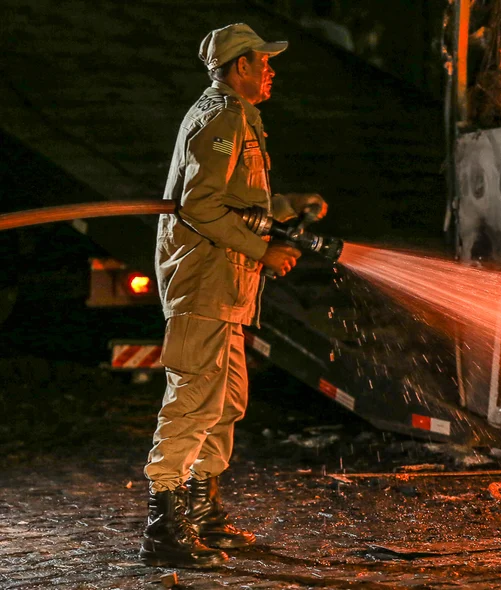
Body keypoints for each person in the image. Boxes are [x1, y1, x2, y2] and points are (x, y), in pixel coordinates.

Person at [143, 23, 328, 568]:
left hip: (229, 286)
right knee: (192, 402)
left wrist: (286, 206)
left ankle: (202, 514)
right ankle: (164, 527)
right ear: (239, 66)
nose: (271, 70)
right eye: (263, 61)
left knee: (224, 403)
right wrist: (263, 251)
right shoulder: (220, 116)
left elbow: (231, 199)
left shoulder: (240, 117)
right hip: (204, 282)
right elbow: (198, 206)